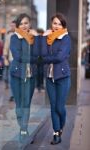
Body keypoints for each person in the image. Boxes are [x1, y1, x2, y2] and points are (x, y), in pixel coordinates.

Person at [41, 13, 71, 144]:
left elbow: (59, 57)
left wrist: (45, 59)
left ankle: (61, 125)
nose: (57, 26)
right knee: (53, 107)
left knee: (59, 107)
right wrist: (43, 38)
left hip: (62, 77)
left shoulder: (66, 38)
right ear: (51, 24)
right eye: (54, 23)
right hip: (49, 77)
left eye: (59, 23)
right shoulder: (47, 38)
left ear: (63, 25)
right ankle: (56, 133)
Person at [10, 13, 38, 140]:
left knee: (26, 104)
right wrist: (32, 58)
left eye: (26, 23)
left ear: (30, 24)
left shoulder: (34, 38)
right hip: (17, 75)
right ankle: (22, 126)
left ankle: (23, 129)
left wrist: (36, 38)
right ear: (17, 25)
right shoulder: (14, 38)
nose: (24, 26)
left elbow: (40, 54)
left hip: (30, 76)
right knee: (19, 105)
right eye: (21, 23)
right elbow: (17, 56)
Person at [3, 20, 16, 101]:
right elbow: (6, 48)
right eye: (11, 26)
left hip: (20, 60)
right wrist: (5, 58)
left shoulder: (21, 35)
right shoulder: (9, 36)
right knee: (12, 78)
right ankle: (13, 95)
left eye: (13, 25)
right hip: (11, 60)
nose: (12, 27)